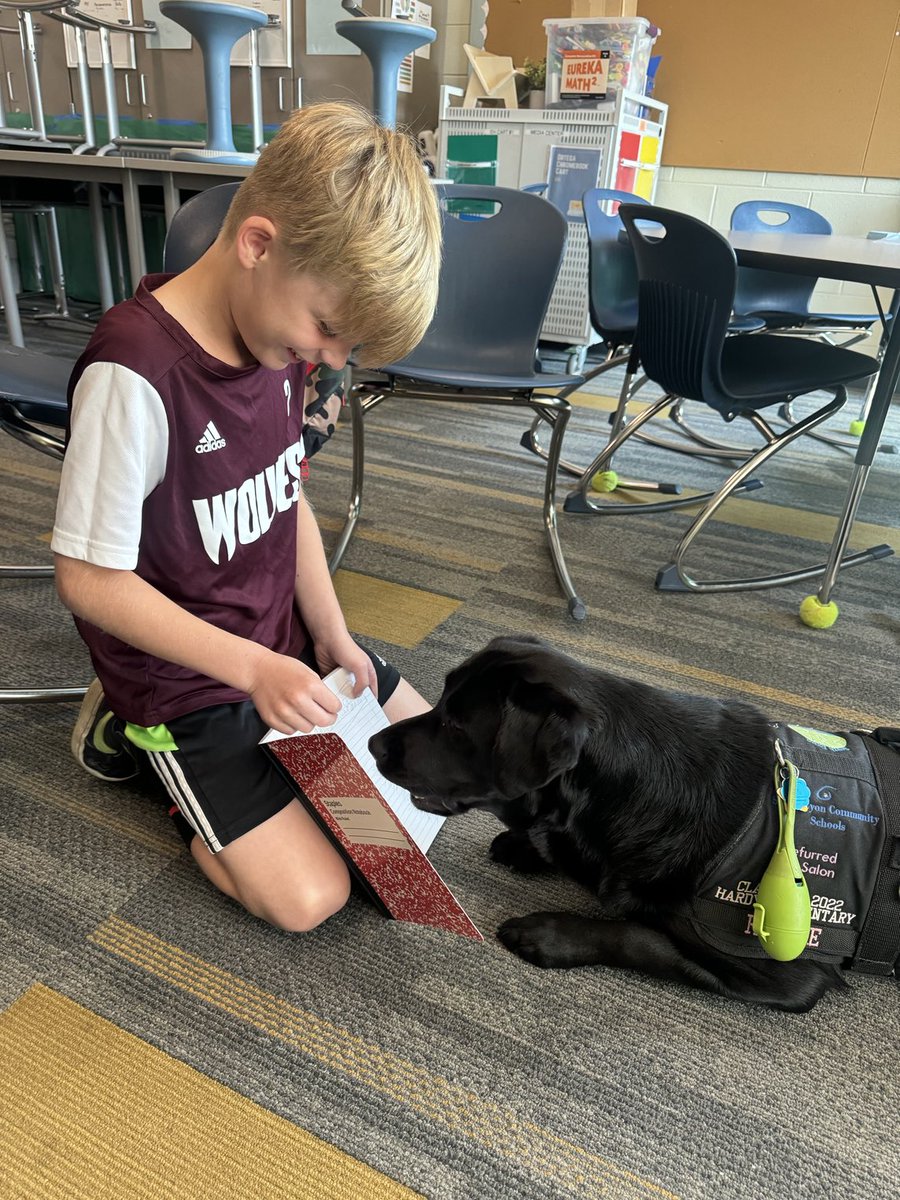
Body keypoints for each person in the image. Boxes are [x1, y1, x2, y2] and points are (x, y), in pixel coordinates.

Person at [51, 102, 443, 934]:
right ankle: (136, 744)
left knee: (434, 766)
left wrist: (331, 632)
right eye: (329, 331)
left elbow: (284, 489)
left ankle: (272, 766)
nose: (331, 362)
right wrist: (254, 673)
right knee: (313, 900)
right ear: (257, 245)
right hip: (189, 680)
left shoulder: (274, 338)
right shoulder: (135, 374)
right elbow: (86, 578)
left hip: (279, 644)